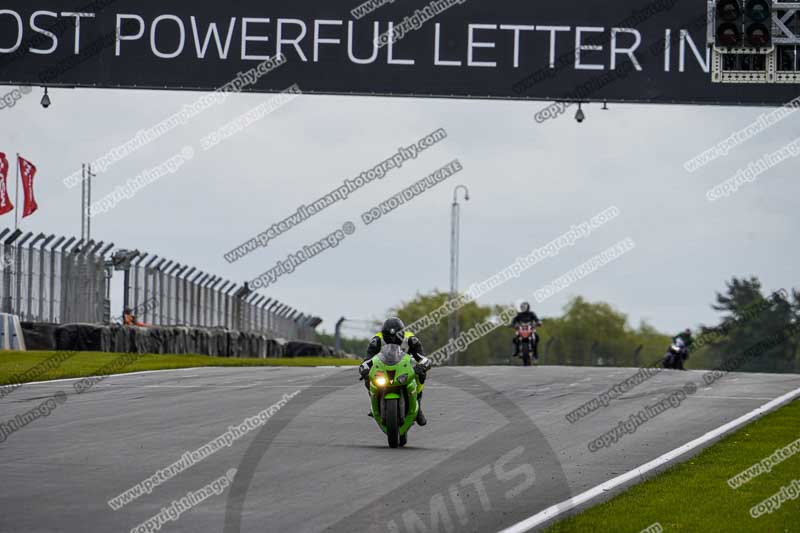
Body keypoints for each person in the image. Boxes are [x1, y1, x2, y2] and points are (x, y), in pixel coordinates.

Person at [359, 317, 432, 426]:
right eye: (389, 337)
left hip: (405, 366)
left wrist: (423, 365)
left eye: (395, 336)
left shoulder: (411, 339)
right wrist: (364, 368)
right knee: (368, 376)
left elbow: (422, 358)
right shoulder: (377, 340)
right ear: (383, 334)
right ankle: (373, 401)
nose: (392, 339)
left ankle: (418, 405)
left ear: (402, 333)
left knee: (421, 374)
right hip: (384, 367)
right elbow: (368, 359)